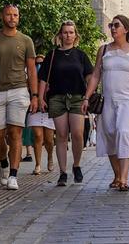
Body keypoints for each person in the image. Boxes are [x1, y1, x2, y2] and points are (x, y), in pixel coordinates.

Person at [0, 4, 38, 191]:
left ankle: (13, 174)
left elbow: (32, 70)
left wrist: (34, 95)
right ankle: (3, 163)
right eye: (9, 14)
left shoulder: (26, 40)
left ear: (19, 18)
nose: (12, 18)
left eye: (16, 15)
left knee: (15, 133)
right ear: (2, 16)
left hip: (19, 91)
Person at [84, 14, 129, 191]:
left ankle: (124, 179)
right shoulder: (103, 50)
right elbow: (96, 75)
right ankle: (117, 175)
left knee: (123, 130)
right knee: (111, 134)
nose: (112, 28)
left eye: (116, 25)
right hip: (108, 100)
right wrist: (87, 97)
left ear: (126, 29)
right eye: (111, 25)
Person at [38, 20, 93, 186]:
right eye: (65, 32)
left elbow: (90, 77)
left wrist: (88, 97)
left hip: (77, 98)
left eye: (71, 32)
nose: (68, 35)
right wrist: (40, 97)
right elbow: (43, 79)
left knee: (77, 134)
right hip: (57, 98)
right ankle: (62, 172)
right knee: (61, 135)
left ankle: (76, 165)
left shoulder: (81, 55)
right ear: (60, 35)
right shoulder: (52, 55)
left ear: (75, 35)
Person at [27, 55, 55, 175]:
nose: (39, 66)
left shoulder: (51, 77)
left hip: (49, 110)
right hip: (35, 110)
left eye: (41, 63)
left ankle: (50, 156)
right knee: (38, 136)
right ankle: (38, 164)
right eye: (37, 63)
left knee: (49, 139)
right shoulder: (30, 78)